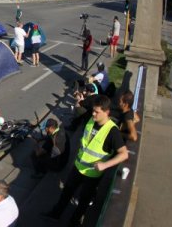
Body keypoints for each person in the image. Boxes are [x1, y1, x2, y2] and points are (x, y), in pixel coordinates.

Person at [43, 95, 128, 225]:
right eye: (93, 110)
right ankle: (56, 214)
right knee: (66, 193)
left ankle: (73, 223)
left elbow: (124, 154)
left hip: (92, 175)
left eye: (97, 112)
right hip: (77, 168)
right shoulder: (91, 120)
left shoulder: (112, 131)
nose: (93, 113)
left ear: (106, 112)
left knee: (83, 202)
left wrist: (105, 165)